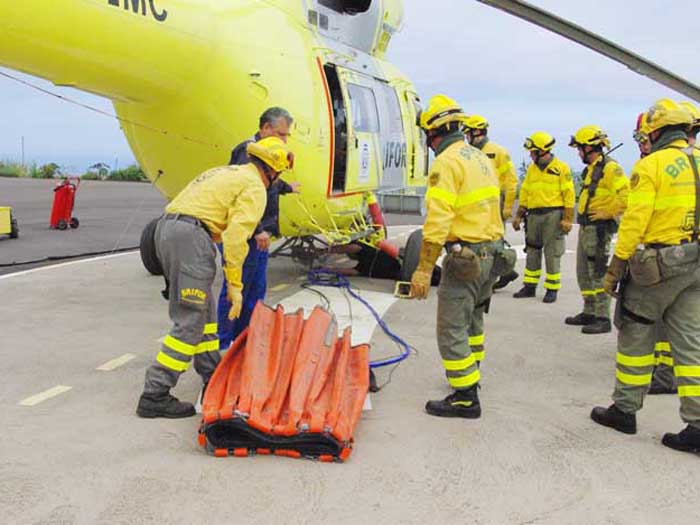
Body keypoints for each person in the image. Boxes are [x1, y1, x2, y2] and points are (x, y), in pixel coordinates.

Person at [136, 137, 294, 418]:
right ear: (274, 171)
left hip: (167, 230)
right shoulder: (255, 187)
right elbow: (235, 237)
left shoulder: (226, 172)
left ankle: (211, 373)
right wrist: (235, 284)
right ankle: (155, 392)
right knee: (192, 317)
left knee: (206, 314)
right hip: (191, 237)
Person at [591, 99, 700, 453]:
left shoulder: (651, 165)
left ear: (656, 131)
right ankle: (697, 425)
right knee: (690, 343)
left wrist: (616, 267)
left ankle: (625, 410)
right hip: (695, 263)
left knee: (636, 334)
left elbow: (635, 221)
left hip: (657, 265)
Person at [410, 94, 506, 419]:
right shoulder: (479, 158)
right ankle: (472, 372)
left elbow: (437, 221)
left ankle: (465, 396)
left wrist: (423, 269)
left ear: (432, 134)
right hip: (491, 253)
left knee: (451, 326)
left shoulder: (446, 163)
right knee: (474, 320)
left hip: (465, 257)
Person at [217, 107, 300, 351]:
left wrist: (286, 187)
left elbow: (268, 181)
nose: (283, 140)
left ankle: (244, 340)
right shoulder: (247, 152)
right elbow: (242, 198)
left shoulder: (266, 153)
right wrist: (257, 230)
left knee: (255, 290)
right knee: (235, 290)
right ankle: (224, 343)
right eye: (280, 134)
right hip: (247, 236)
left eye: (286, 136)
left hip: (260, 236)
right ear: (264, 128)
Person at [565, 125, 629, 334]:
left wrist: (608, 212)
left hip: (599, 229)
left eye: (580, 148)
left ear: (588, 148)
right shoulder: (594, 168)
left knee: (598, 272)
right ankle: (590, 310)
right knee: (584, 272)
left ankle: (602, 317)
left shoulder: (611, 168)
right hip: (587, 227)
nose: (578, 152)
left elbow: (626, 196)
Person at [633, 112, 676, 396]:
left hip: (666, 254)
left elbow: (636, 218)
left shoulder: (653, 166)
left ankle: (629, 401)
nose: (642, 143)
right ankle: (665, 370)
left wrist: (621, 259)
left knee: (660, 318)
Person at [511, 132, 575, 303]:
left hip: (553, 215)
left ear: (542, 151)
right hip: (533, 216)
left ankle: (552, 288)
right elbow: (525, 193)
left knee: (552, 253)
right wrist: (518, 215)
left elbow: (569, 195)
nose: (530, 155)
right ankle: (530, 286)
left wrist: (568, 219)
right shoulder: (532, 170)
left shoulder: (561, 168)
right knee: (532, 250)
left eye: (533, 152)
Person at [464, 115, 519, 290]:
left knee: (494, 239)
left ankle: (502, 271)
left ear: (477, 132)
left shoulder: (498, 152)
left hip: (495, 202)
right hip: (477, 203)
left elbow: (511, 182)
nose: (466, 138)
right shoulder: (469, 152)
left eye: (468, 134)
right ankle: (504, 272)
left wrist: (507, 208)